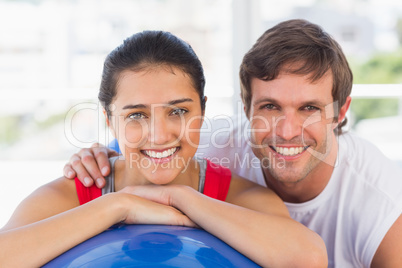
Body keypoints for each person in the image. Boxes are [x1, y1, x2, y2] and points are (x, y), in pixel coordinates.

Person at [65, 19, 402, 268]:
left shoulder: (380, 199)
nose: (286, 131)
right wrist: (101, 154)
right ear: (246, 109)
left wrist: (177, 197)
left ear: (341, 111)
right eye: (269, 107)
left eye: (309, 109)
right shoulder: (217, 152)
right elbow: (155, 150)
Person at [0, 30, 327, 267]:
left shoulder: (242, 199)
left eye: (179, 111)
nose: (158, 136)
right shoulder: (72, 194)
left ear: (202, 112)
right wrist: (117, 206)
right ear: (110, 121)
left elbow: (308, 259)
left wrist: (180, 198)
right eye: (136, 115)